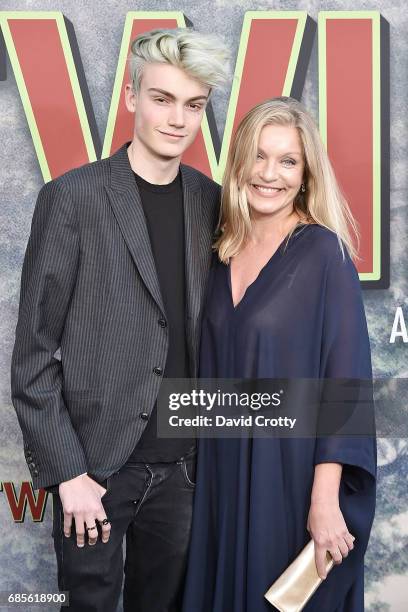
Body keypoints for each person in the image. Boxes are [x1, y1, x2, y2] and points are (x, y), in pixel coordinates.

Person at [10, 28, 228, 612]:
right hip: (96, 472)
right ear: (132, 98)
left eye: (193, 105)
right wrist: (69, 476)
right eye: (162, 99)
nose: (178, 118)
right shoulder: (72, 199)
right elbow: (33, 358)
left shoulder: (210, 202)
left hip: (184, 469)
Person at [182, 97, 377, 611]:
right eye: (260, 157)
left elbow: (346, 386)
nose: (270, 174)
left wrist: (324, 499)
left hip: (290, 481)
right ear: (240, 162)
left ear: (307, 173)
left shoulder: (323, 255)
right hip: (221, 476)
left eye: (288, 161)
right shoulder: (219, 252)